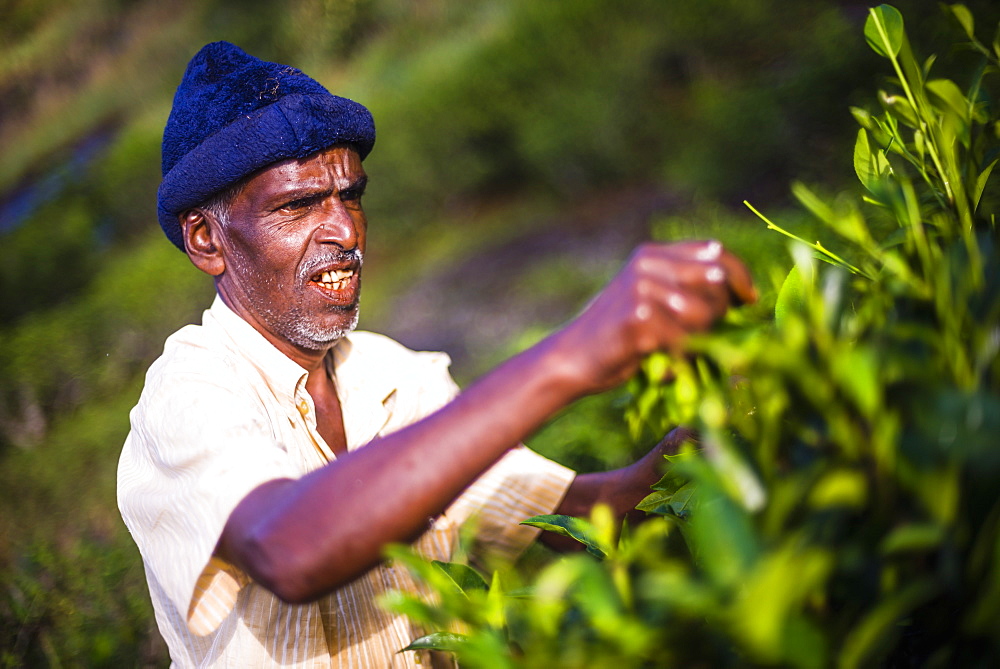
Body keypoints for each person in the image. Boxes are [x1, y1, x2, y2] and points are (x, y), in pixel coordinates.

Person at [117, 41, 756, 668]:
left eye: (351, 196)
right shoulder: (188, 395)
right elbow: (290, 548)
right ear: (207, 240)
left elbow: (579, 521)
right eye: (299, 205)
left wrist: (681, 461)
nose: (344, 231)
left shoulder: (392, 376)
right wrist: (570, 357)